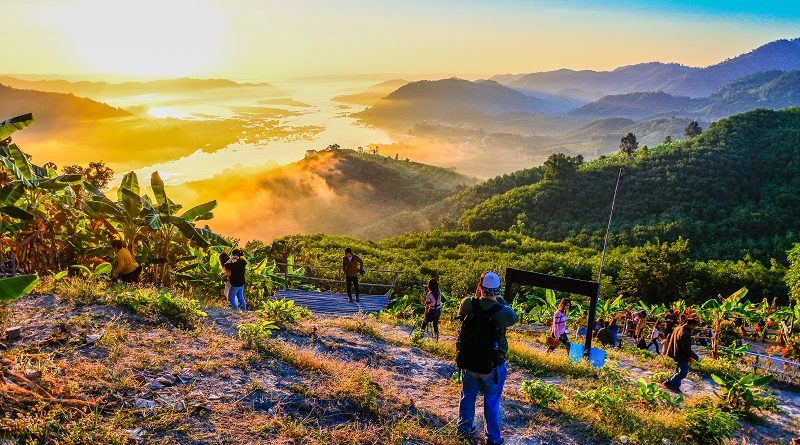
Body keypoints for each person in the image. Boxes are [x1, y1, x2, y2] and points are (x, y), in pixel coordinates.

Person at [456, 271, 518, 445]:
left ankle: (463, 430)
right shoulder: (503, 312)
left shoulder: (467, 303)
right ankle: (493, 438)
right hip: (492, 365)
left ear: (479, 287)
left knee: (467, 396)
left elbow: (463, 313)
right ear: (498, 290)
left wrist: (478, 296)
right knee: (491, 401)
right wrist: (499, 298)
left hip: (469, 361)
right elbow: (514, 317)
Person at [662, 317, 700, 394]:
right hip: (681, 355)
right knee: (683, 372)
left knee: (678, 371)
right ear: (691, 325)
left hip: (675, 352)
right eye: (694, 326)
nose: (695, 327)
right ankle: (669, 383)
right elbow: (686, 349)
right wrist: (696, 357)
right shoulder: (685, 333)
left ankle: (675, 387)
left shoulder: (678, 328)